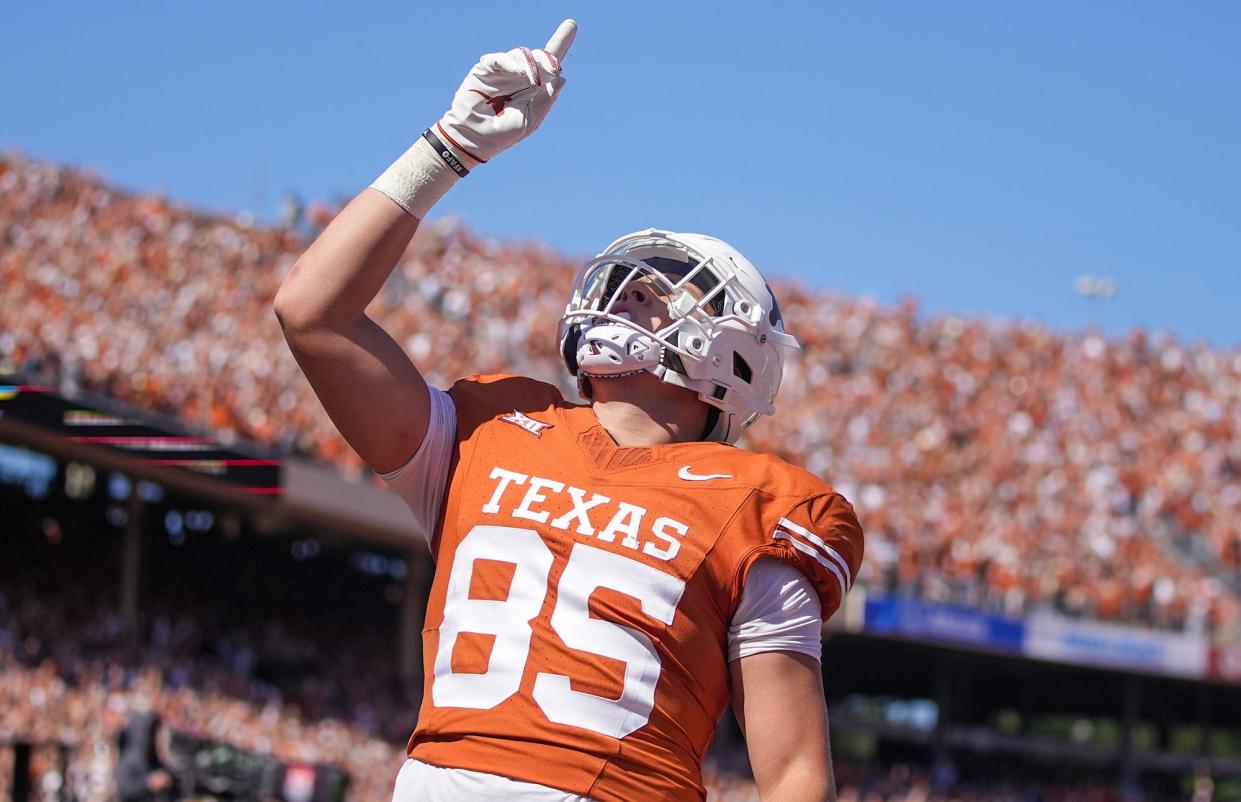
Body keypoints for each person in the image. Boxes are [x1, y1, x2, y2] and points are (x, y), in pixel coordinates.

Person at [273, 19, 863, 802]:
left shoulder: (761, 507)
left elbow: (792, 775)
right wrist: (450, 146)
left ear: (735, 355)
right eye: (630, 281)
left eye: (661, 291)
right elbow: (312, 313)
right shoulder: (491, 431)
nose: (631, 294)